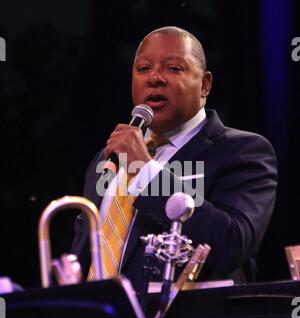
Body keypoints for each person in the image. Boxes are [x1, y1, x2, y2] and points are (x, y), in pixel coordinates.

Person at [71, 26, 278, 294]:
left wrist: (145, 172)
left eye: (174, 68)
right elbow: (86, 250)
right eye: (143, 69)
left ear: (204, 85)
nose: (154, 78)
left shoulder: (242, 151)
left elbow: (232, 244)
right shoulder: (108, 158)